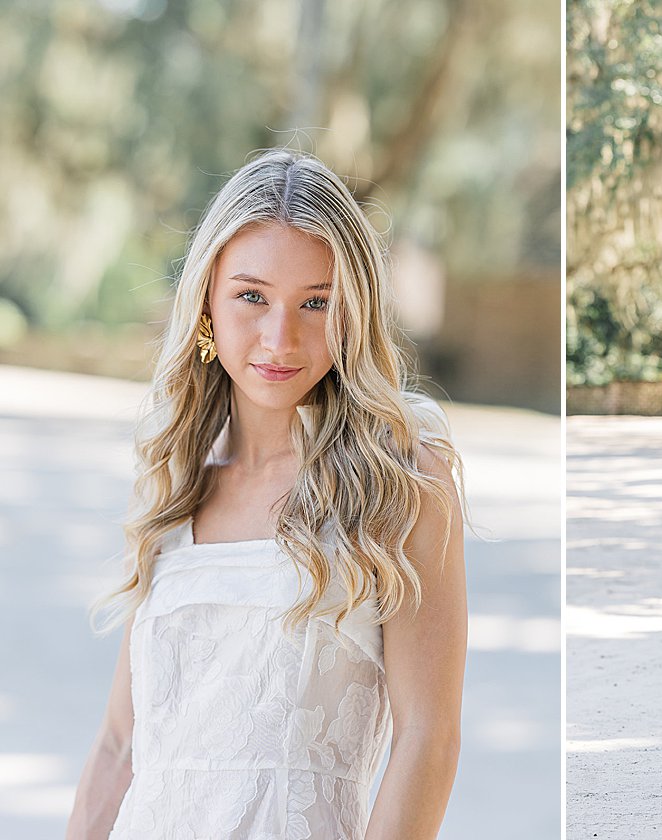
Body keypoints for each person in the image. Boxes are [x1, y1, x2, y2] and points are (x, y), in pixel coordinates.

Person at [66, 149, 468, 839]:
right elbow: (119, 745)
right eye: (252, 296)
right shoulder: (173, 483)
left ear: (354, 313)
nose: (281, 338)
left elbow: (427, 741)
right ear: (206, 304)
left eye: (317, 302)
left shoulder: (403, 485)